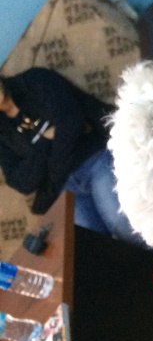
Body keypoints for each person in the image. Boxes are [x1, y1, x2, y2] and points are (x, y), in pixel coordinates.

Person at [0, 68, 145, 247]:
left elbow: (71, 122)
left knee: (121, 222)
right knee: (92, 248)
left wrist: (48, 165)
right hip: (64, 187)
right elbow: (20, 182)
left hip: (92, 157)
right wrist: (45, 142)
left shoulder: (35, 81)